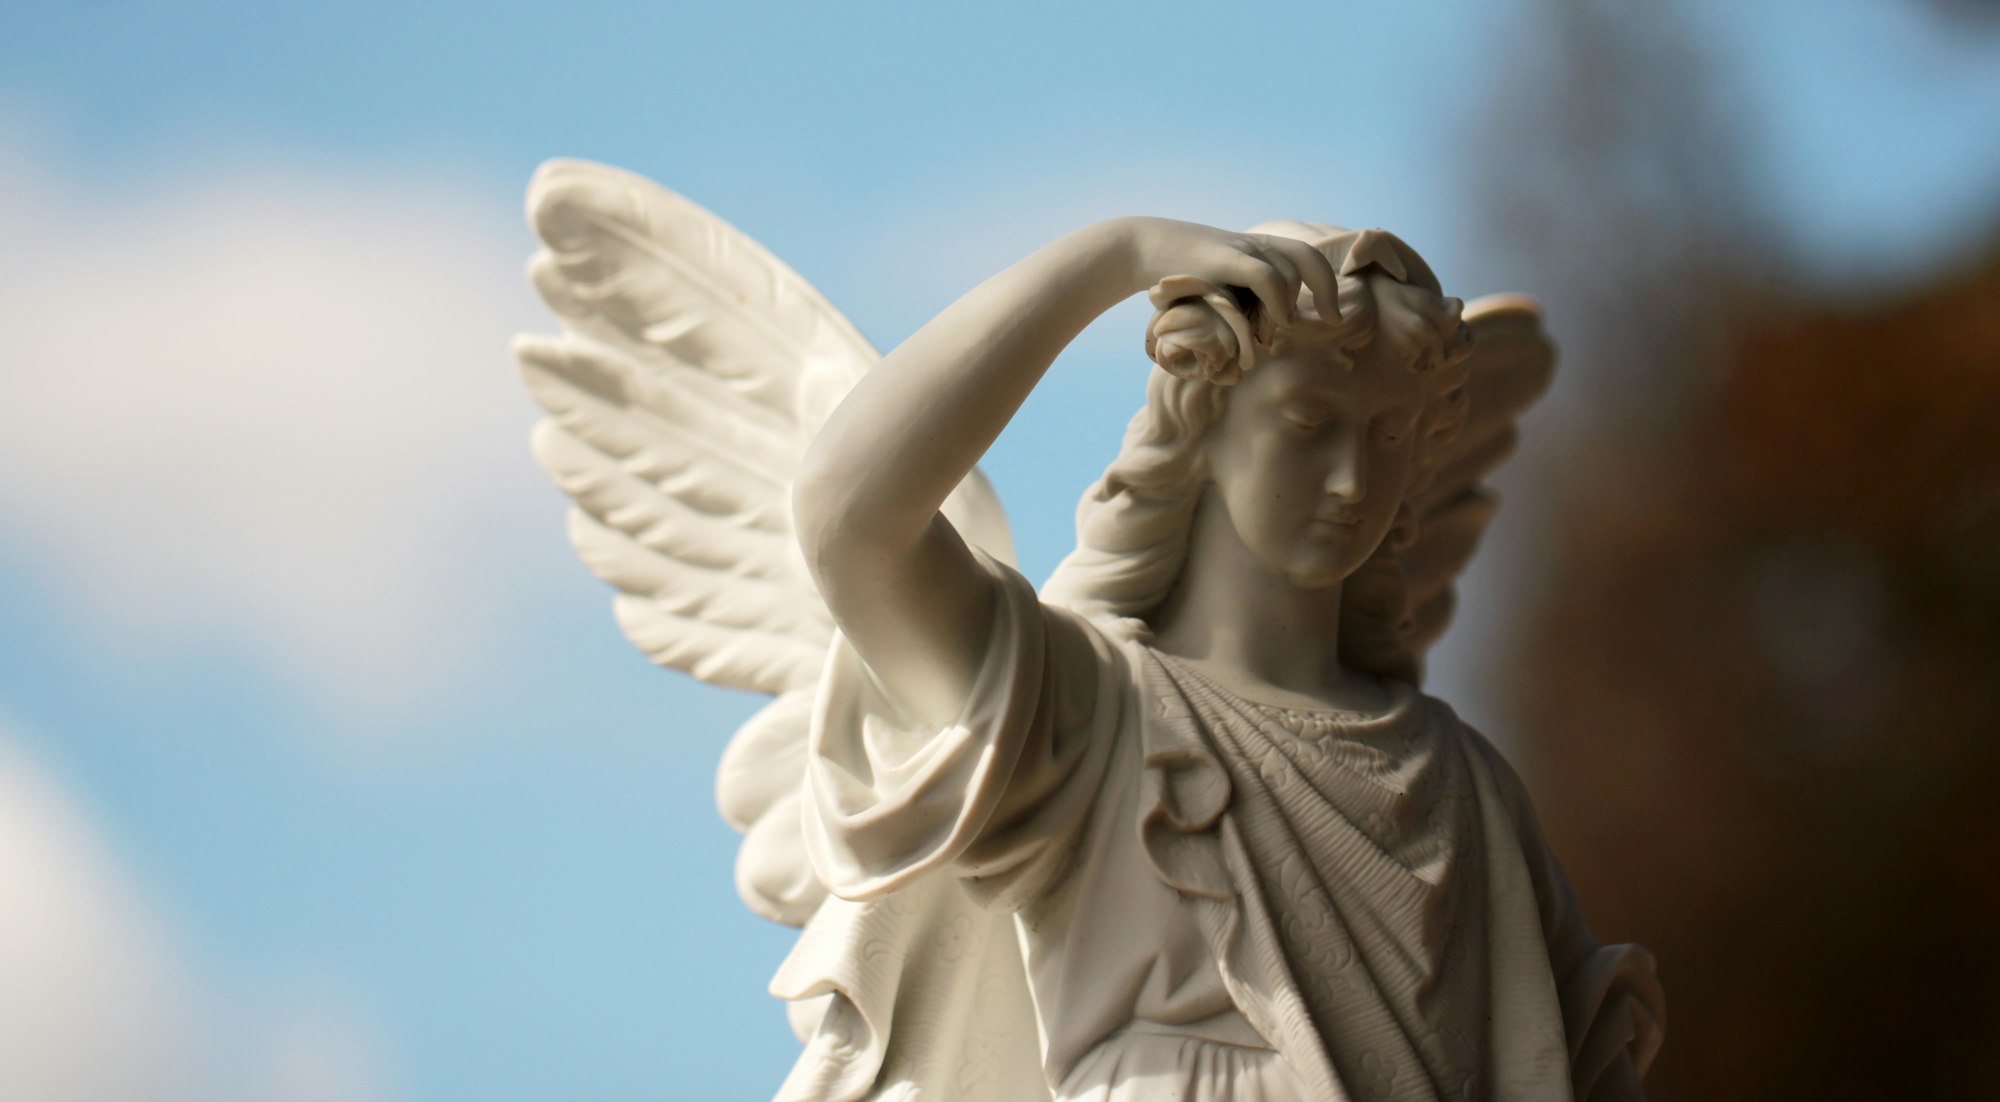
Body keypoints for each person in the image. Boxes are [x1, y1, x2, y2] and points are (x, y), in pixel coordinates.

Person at [788, 216, 1662, 1101]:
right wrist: (1115, 258)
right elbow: (849, 518)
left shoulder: (1465, 785)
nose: (1353, 478)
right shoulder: (1095, 712)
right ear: (1203, 417)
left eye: (1390, 436)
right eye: (1309, 421)